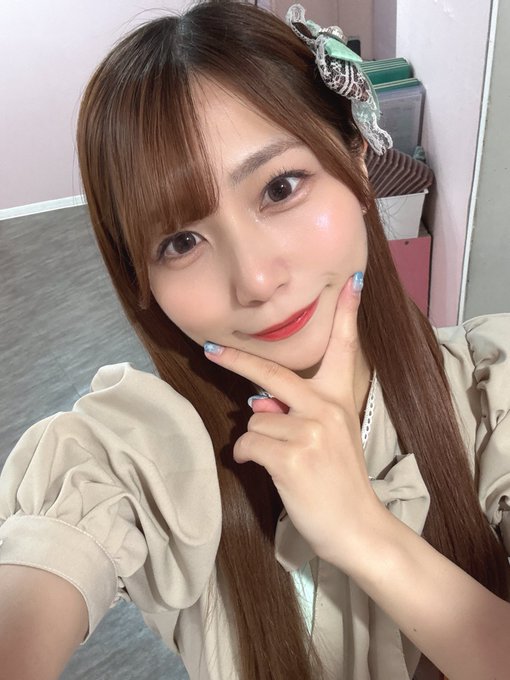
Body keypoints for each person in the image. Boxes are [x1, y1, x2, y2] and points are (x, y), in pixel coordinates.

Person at [0, 2, 509, 679]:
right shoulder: (135, 456)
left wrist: (361, 529)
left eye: (280, 188)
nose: (257, 280)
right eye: (182, 241)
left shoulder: (490, 395)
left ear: (357, 161)